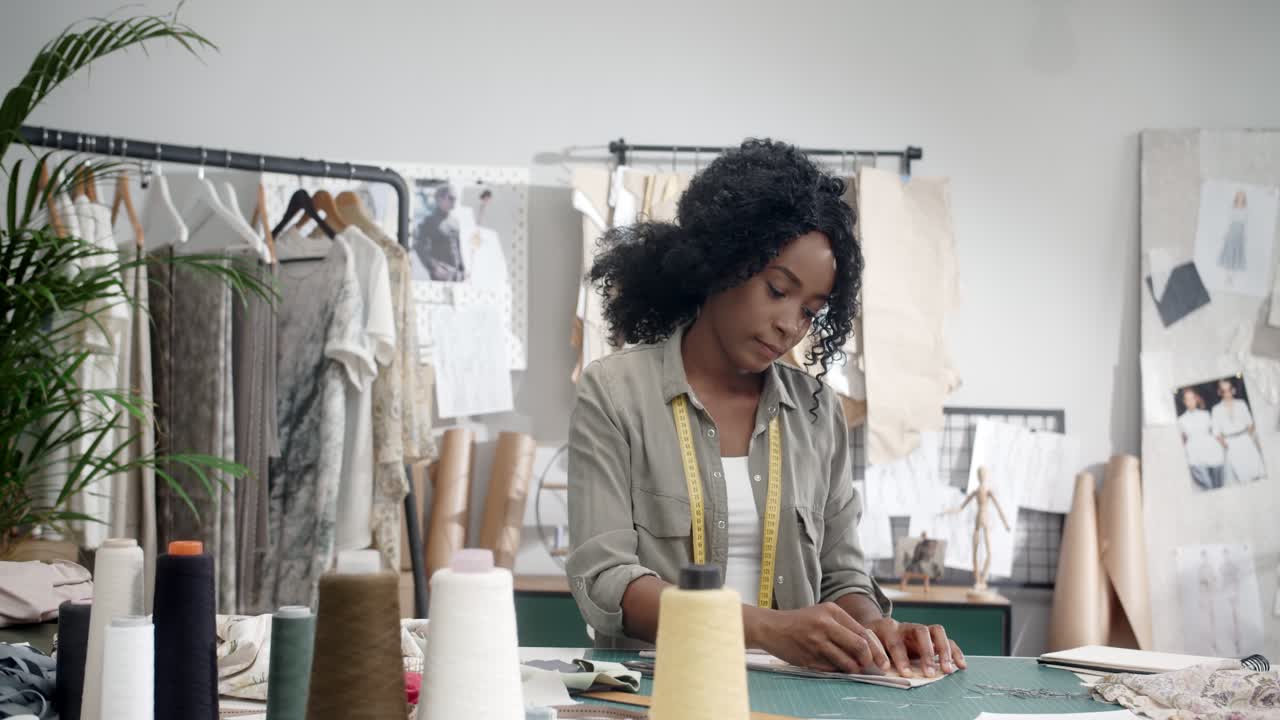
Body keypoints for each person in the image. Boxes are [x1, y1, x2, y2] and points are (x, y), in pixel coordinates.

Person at [566, 139, 966, 679]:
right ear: (722, 262)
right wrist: (768, 630)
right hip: (662, 692)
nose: (789, 325)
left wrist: (877, 629)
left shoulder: (818, 412)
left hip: (797, 698)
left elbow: (841, 576)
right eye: (777, 289)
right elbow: (606, 580)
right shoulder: (616, 393)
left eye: (810, 311)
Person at [1212, 378, 1264, 484]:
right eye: (1223, 391)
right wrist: (1226, 444)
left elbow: (1250, 423)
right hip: (1230, 443)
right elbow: (1216, 432)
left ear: (1233, 390)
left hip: (1245, 440)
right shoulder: (1216, 409)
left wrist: (1247, 438)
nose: (1227, 393)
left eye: (1229, 389)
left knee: (1256, 472)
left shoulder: (1241, 404)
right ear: (1219, 392)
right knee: (1242, 476)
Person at [414, 184, 465, 281]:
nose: (454, 200)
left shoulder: (455, 222)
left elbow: (458, 248)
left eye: (455, 198)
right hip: (441, 275)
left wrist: (462, 269)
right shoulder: (429, 221)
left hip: (456, 275)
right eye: (451, 198)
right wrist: (434, 267)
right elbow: (419, 246)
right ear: (439, 199)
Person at [1178, 387, 1226, 490]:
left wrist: (1223, 444)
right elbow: (1181, 439)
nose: (1191, 402)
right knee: (1207, 485)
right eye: (1188, 399)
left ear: (1196, 399)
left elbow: (1215, 432)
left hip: (1210, 450)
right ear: (1184, 402)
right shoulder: (1181, 420)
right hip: (1194, 454)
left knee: (1218, 485)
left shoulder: (1205, 414)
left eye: (1192, 398)